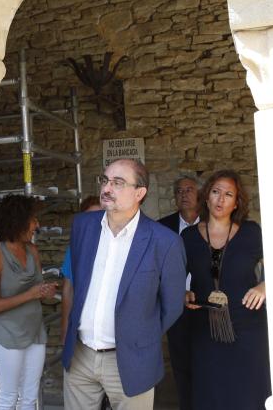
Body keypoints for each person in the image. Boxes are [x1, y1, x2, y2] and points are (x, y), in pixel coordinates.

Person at [62, 159, 186, 409]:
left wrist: (139, 337)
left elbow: (172, 306)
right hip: (81, 356)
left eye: (118, 183)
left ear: (140, 192)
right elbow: (77, 283)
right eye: (105, 180)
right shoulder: (83, 226)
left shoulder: (165, 241)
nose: (107, 188)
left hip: (131, 359)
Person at [182, 170, 270, 409]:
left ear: (236, 202)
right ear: (206, 197)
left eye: (228, 194)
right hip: (204, 326)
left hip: (247, 326)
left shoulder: (252, 232)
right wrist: (183, 292)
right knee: (210, 391)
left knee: (248, 391)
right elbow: (174, 275)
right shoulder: (189, 236)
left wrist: (265, 286)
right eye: (215, 192)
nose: (220, 199)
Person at [0, 194, 57, 410]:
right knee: (8, 397)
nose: (37, 225)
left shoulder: (32, 250)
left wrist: (47, 291)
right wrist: (31, 294)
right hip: (8, 336)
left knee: (30, 397)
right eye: (33, 219)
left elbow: (37, 289)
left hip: (35, 332)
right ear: (18, 220)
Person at [159, 175, 200, 410]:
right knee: (181, 364)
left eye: (189, 190)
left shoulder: (212, 223)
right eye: (179, 191)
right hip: (176, 307)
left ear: (199, 194)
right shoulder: (163, 226)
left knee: (208, 362)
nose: (184, 194)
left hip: (207, 304)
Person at [60, 196, 103, 343]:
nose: (96, 221)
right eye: (90, 217)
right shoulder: (75, 247)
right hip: (83, 327)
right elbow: (68, 290)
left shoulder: (119, 245)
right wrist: (65, 329)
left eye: (100, 215)